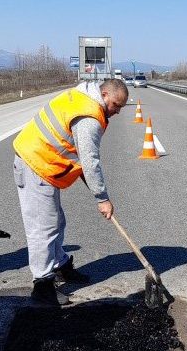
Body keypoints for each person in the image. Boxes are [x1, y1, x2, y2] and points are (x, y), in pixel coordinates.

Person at [13, 78, 128, 306]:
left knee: (55, 221)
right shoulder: (89, 118)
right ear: (104, 95)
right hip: (35, 163)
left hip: (45, 164)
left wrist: (98, 194)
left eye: (121, 107)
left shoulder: (85, 97)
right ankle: (43, 286)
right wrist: (102, 198)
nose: (117, 111)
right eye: (116, 105)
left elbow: (82, 162)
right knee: (43, 227)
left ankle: (60, 266)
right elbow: (89, 161)